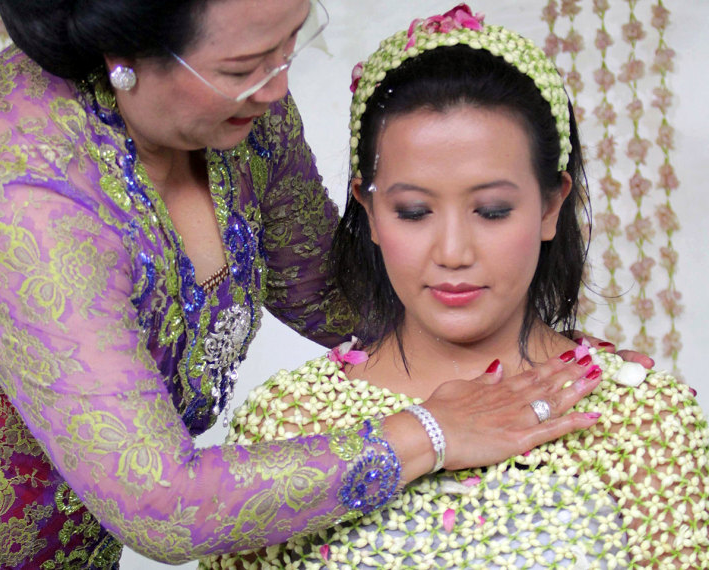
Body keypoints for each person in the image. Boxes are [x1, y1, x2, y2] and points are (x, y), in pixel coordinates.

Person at [0, 1, 650, 567]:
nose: (279, 87)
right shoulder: (24, 204)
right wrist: (430, 432)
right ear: (124, 56)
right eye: (247, 65)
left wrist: (546, 357)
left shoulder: (241, 115)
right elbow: (163, 505)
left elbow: (338, 295)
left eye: (290, 41)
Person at [203, 5, 709, 569]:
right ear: (369, 210)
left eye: (491, 211)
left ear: (550, 206)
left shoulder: (642, 419)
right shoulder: (286, 421)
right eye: (413, 211)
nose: (452, 253)